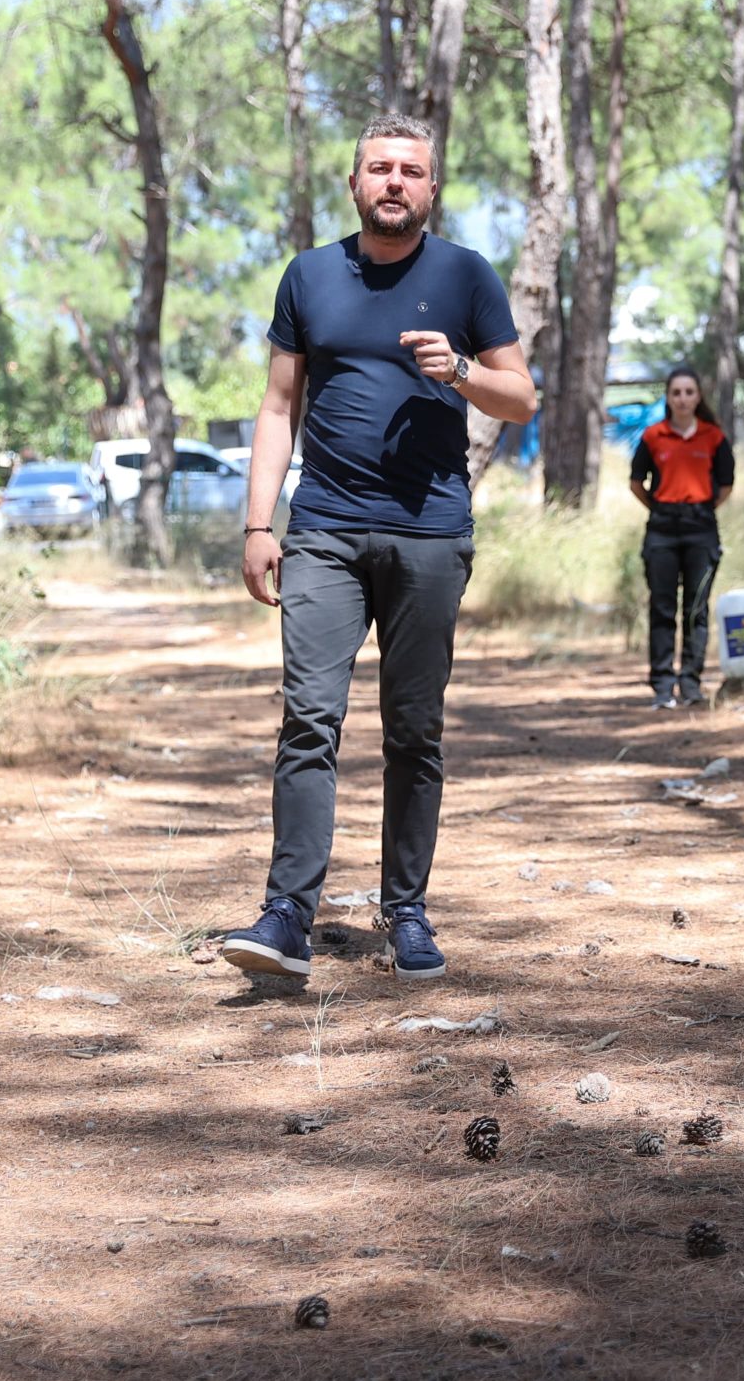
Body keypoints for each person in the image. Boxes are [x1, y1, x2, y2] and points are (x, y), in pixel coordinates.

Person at [222, 113, 538, 984]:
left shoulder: (467, 276)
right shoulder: (311, 276)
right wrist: (259, 525)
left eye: (411, 170)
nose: (394, 181)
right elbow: (278, 407)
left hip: (431, 533)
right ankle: (288, 913)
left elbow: (521, 397)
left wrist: (462, 371)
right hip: (323, 527)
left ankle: (406, 910)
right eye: (378, 168)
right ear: (354, 184)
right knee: (309, 718)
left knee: (415, 731)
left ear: (433, 187)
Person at [628, 366, 735, 709]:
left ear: (698, 396)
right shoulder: (653, 436)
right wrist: (661, 508)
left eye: (689, 392)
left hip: (701, 530)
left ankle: (690, 682)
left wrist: (699, 510)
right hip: (662, 530)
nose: (683, 399)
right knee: (662, 608)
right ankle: (662, 684)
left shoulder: (713, 437)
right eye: (676, 393)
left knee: (696, 609)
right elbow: (636, 483)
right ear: (668, 397)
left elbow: (727, 484)